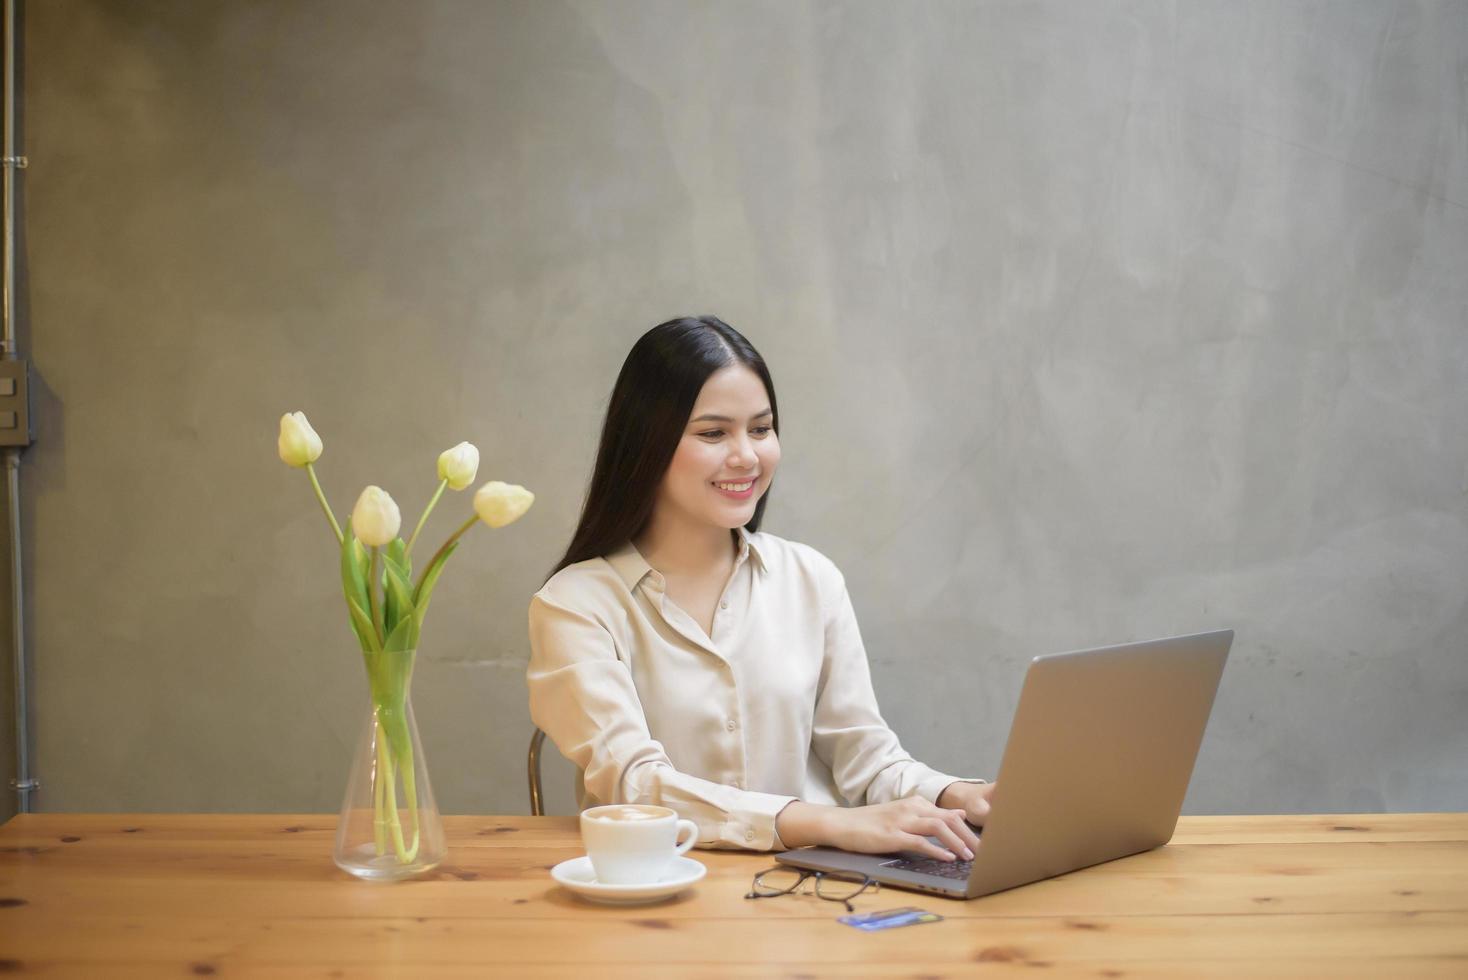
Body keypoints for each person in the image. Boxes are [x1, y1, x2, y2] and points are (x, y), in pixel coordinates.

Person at [527, 315, 994, 864]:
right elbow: (636, 785)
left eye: (761, 428)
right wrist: (827, 823)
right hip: (658, 895)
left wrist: (956, 794)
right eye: (713, 433)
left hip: (810, 899)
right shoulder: (575, 605)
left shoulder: (811, 579)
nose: (747, 456)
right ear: (646, 442)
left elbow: (866, 758)